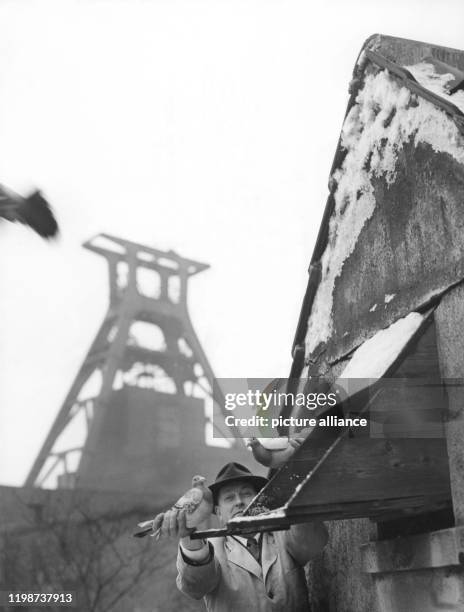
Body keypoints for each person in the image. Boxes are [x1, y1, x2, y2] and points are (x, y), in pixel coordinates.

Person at [152, 462, 328, 612]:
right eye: (229, 497)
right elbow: (196, 586)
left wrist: (297, 502)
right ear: (219, 513)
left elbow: (313, 542)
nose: (239, 501)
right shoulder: (211, 549)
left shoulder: (282, 532)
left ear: (259, 500)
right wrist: (189, 540)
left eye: (246, 494)